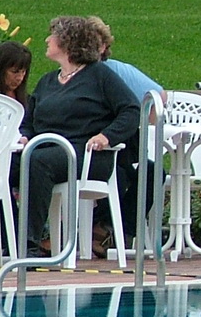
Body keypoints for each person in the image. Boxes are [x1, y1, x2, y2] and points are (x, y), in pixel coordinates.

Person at [18, 17, 140, 257]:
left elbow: (131, 109)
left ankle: (28, 245)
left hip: (87, 155)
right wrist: (24, 137)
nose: (47, 40)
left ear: (68, 43)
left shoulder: (100, 75)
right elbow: (29, 122)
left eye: (53, 36)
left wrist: (107, 136)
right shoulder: (47, 81)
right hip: (45, 150)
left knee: (38, 162)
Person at [88, 17, 162, 101]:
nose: (87, 47)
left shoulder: (118, 70)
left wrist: (145, 110)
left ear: (103, 47)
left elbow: (159, 96)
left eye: (93, 43)